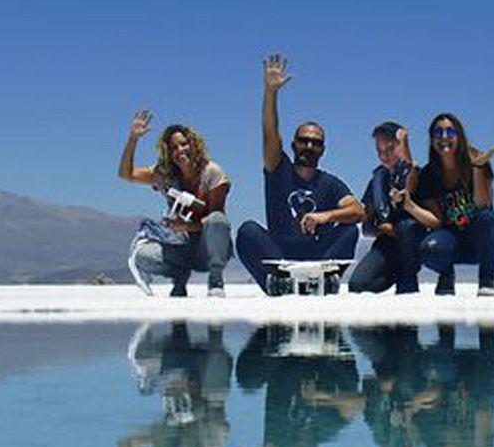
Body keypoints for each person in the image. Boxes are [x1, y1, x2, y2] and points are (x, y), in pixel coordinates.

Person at [235, 54, 364, 294]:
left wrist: (324, 217)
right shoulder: (278, 169)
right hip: (280, 257)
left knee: (349, 228)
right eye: (303, 141)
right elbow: (269, 131)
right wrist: (270, 92)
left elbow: (358, 211)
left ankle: (326, 282)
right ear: (293, 145)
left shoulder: (331, 183)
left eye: (315, 143)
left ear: (322, 150)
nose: (309, 146)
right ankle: (276, 284)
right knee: (247, 231)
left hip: (318, 259)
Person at [117, 110, 232, 297]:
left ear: (194, 144)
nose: (180, 151)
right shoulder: (166, 175)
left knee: (218, 221)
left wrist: (185, 226)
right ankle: (179, 278)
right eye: (173, 148)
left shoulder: (212, 173)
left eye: (184, 144)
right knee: (142, 255)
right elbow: (126, 174)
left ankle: (215, 279)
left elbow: (216, 218)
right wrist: (133, 139)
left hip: (209, 250)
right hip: (180, 248)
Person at [414, 112, 494, 296]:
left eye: (450, 132)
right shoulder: (428, 175)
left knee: (490, 219)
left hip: (477, 239)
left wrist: (478, 169)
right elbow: (437, 221)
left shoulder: (477, 161)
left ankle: (487, 282)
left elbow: (483, 205)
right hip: (450, 240)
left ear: (459, 137)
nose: (444, 137)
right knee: (429, 248)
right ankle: (446, 277)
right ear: (431, 140)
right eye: (438, 133)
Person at [347, 122, 430, 294]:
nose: (385, 156)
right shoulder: (377, 181)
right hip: (386, 245)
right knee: (357, 286)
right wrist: (380, 228)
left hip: (414, 243)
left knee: (406, 228)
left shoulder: (419, 176)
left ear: (401, 146)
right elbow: (367, 226)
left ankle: (407, 285)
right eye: (380, 151)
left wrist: (406, 142)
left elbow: (410, 178)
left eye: (390, 149)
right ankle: (398, 274)